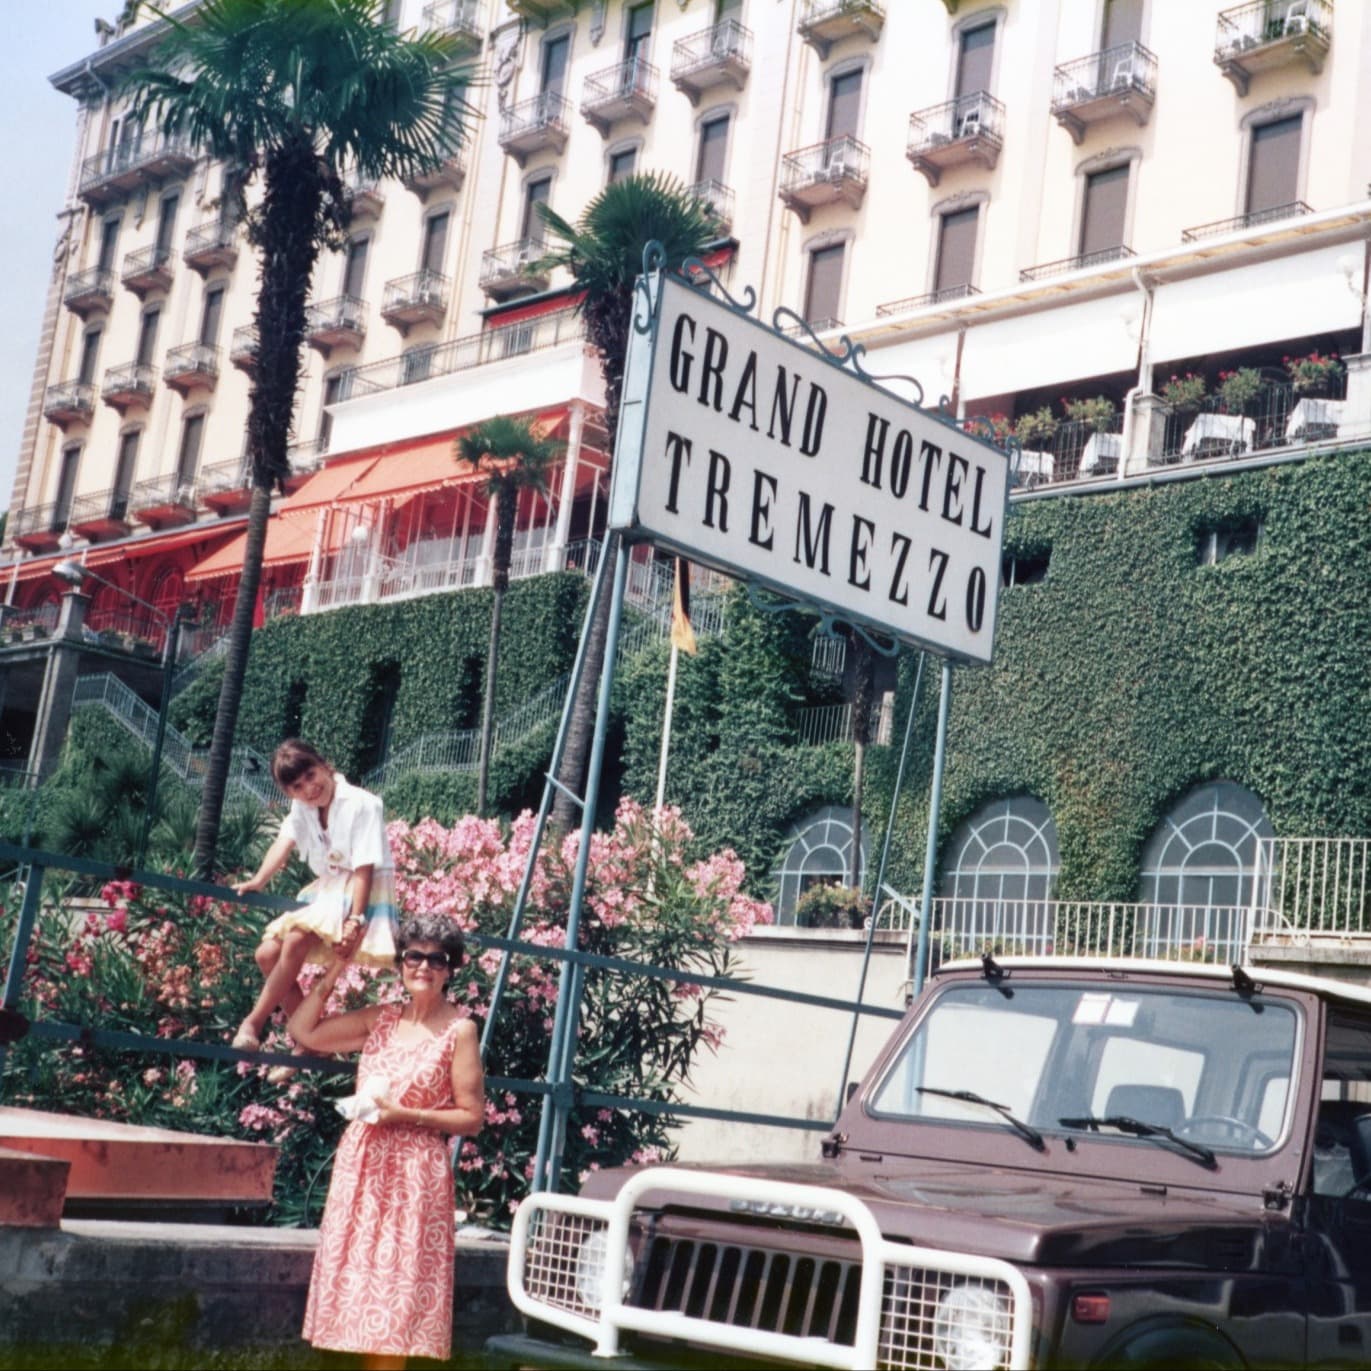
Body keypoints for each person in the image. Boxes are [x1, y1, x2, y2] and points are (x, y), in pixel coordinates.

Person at [292, 915, 485, 1369]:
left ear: (451, 968)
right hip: (362, 1171)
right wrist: (338, 966)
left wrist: (406, 1115)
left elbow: (472, 1117)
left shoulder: (460, 1029)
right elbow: (305, 1031)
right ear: (400, 963)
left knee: (397, 1301)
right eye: (414, 956)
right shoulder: (380, 1019)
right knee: (358, 1294)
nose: (424, 967)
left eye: (437, 959)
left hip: (414, 1175)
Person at [231, 740, 398, 1079]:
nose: (309, 788)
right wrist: (259, 880)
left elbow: (365, 866)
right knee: (266, 955)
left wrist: (357, 918)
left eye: (311, 775)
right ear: (288, 791)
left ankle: (254, 1022)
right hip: (329, 889)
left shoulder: (363, 803)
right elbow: (284, 841)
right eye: (297, 786)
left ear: (324, 765)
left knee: (294, 941)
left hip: (360, 890)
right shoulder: (301, 808)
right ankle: (309, 1042)